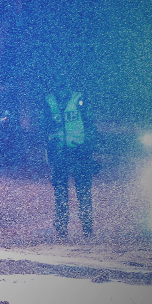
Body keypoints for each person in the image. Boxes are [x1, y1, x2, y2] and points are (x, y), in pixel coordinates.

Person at [43, 72, 97, 239]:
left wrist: (88, 148)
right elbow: (43, 127)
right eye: (59, 85)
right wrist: (49, 147)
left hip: (79, 152)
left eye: (64, 85)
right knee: (60, 193)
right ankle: (61, 228)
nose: (62, 89)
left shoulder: (79, 100)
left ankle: (87, 228)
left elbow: (90, 126)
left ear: (68, 85)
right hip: (59, 154)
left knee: (83, 192)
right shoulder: (48, 102)